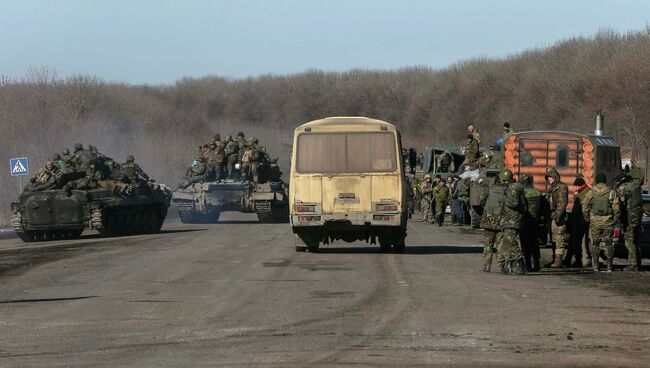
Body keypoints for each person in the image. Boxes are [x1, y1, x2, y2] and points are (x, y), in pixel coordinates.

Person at [583, 173, 620, 272]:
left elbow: (585, 207)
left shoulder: (591, 192)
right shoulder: (611, 192)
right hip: (608, 221)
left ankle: (595, 265)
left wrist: (587, 218)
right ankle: (609, 265)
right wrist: (615, 219)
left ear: (596, 180)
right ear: (605, 181)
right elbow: (616, 208)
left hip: (595, 221)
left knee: (595, 243)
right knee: (608, 243)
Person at [498, 169, 527, 275]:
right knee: (508, 243)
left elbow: (514, 203)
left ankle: (519, 264)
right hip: (512, 219)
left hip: (512, 219)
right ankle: (515, 265)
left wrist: (504, 199)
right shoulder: (514, 187)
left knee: (510, 242)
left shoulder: (513, 187)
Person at [615, 171, 643, 271]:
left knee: (629, 241)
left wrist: (617, 218)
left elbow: (620, 204)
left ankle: (633, 264)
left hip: (629, 218)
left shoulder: (623, 188)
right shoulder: (636, 185)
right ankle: (638, 263)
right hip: (638, 217)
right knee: (636, 240)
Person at [480, 172, 507, 273]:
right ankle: (501, 267)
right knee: (501, 246)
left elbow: (481, 201)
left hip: (488, 221)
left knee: (488, 246)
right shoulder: (508, 190)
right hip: (502, 222)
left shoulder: (490, 189)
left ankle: (487, 266)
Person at [545, 167, 568, 268]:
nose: (549, 179)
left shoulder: (561, 187)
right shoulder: (551, 188)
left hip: (558, 217)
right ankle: (554, 259)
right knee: (554, 239)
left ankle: (558, 260)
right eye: (548, 177)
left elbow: (562, 203)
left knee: (559, 239)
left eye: (551, 177)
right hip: (551, 216)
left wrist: (558, 215)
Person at [567, 178, 592, 268]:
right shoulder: (585, 191)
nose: (575, 188)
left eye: (576, 186)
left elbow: (581, 207)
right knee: (573, 240)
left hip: (580, 221)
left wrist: (577, 195)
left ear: (579, 186)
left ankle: (578, 260)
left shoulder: (584, 193)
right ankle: (567, 259)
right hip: (580, 220)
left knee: (575, 240)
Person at [521, 174, 542, 272]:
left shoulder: (522, 192)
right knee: (535, 243)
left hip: (525, 220)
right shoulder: (538, 192)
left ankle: (528, 265)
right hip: (535, 220)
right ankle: (537, 264)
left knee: (525, 244)